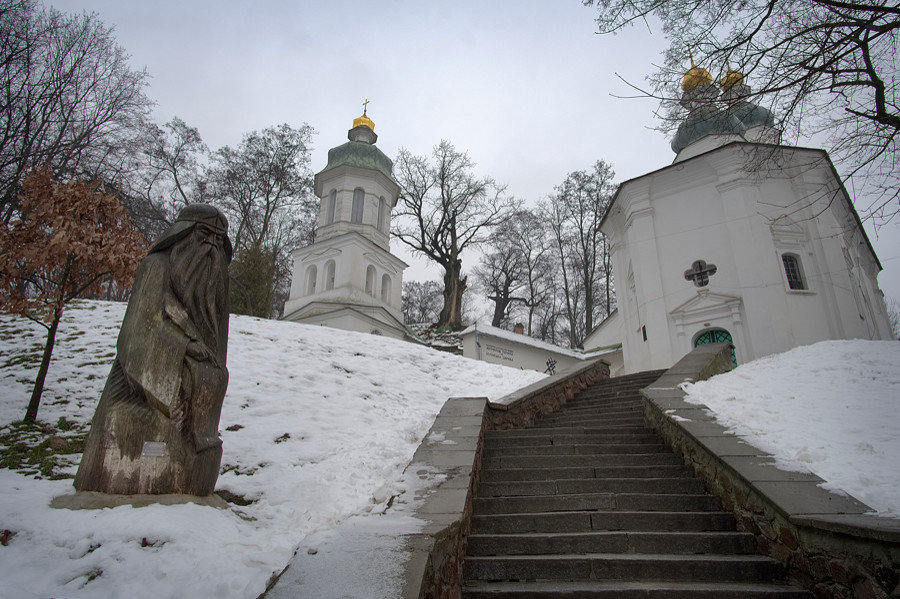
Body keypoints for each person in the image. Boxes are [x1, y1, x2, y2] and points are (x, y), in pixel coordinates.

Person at [74, 204, 232, 496]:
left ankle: (194, 454)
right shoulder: (157, 266)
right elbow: (140, 329)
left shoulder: (214, 288)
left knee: (213, 378)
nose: (211, 246)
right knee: (142, 413)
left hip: (194, 368)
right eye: (204, 234)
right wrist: (186, 347)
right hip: (145, 381)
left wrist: (204, 358)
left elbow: (215, 344)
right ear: (183, 235)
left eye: (219, 239)